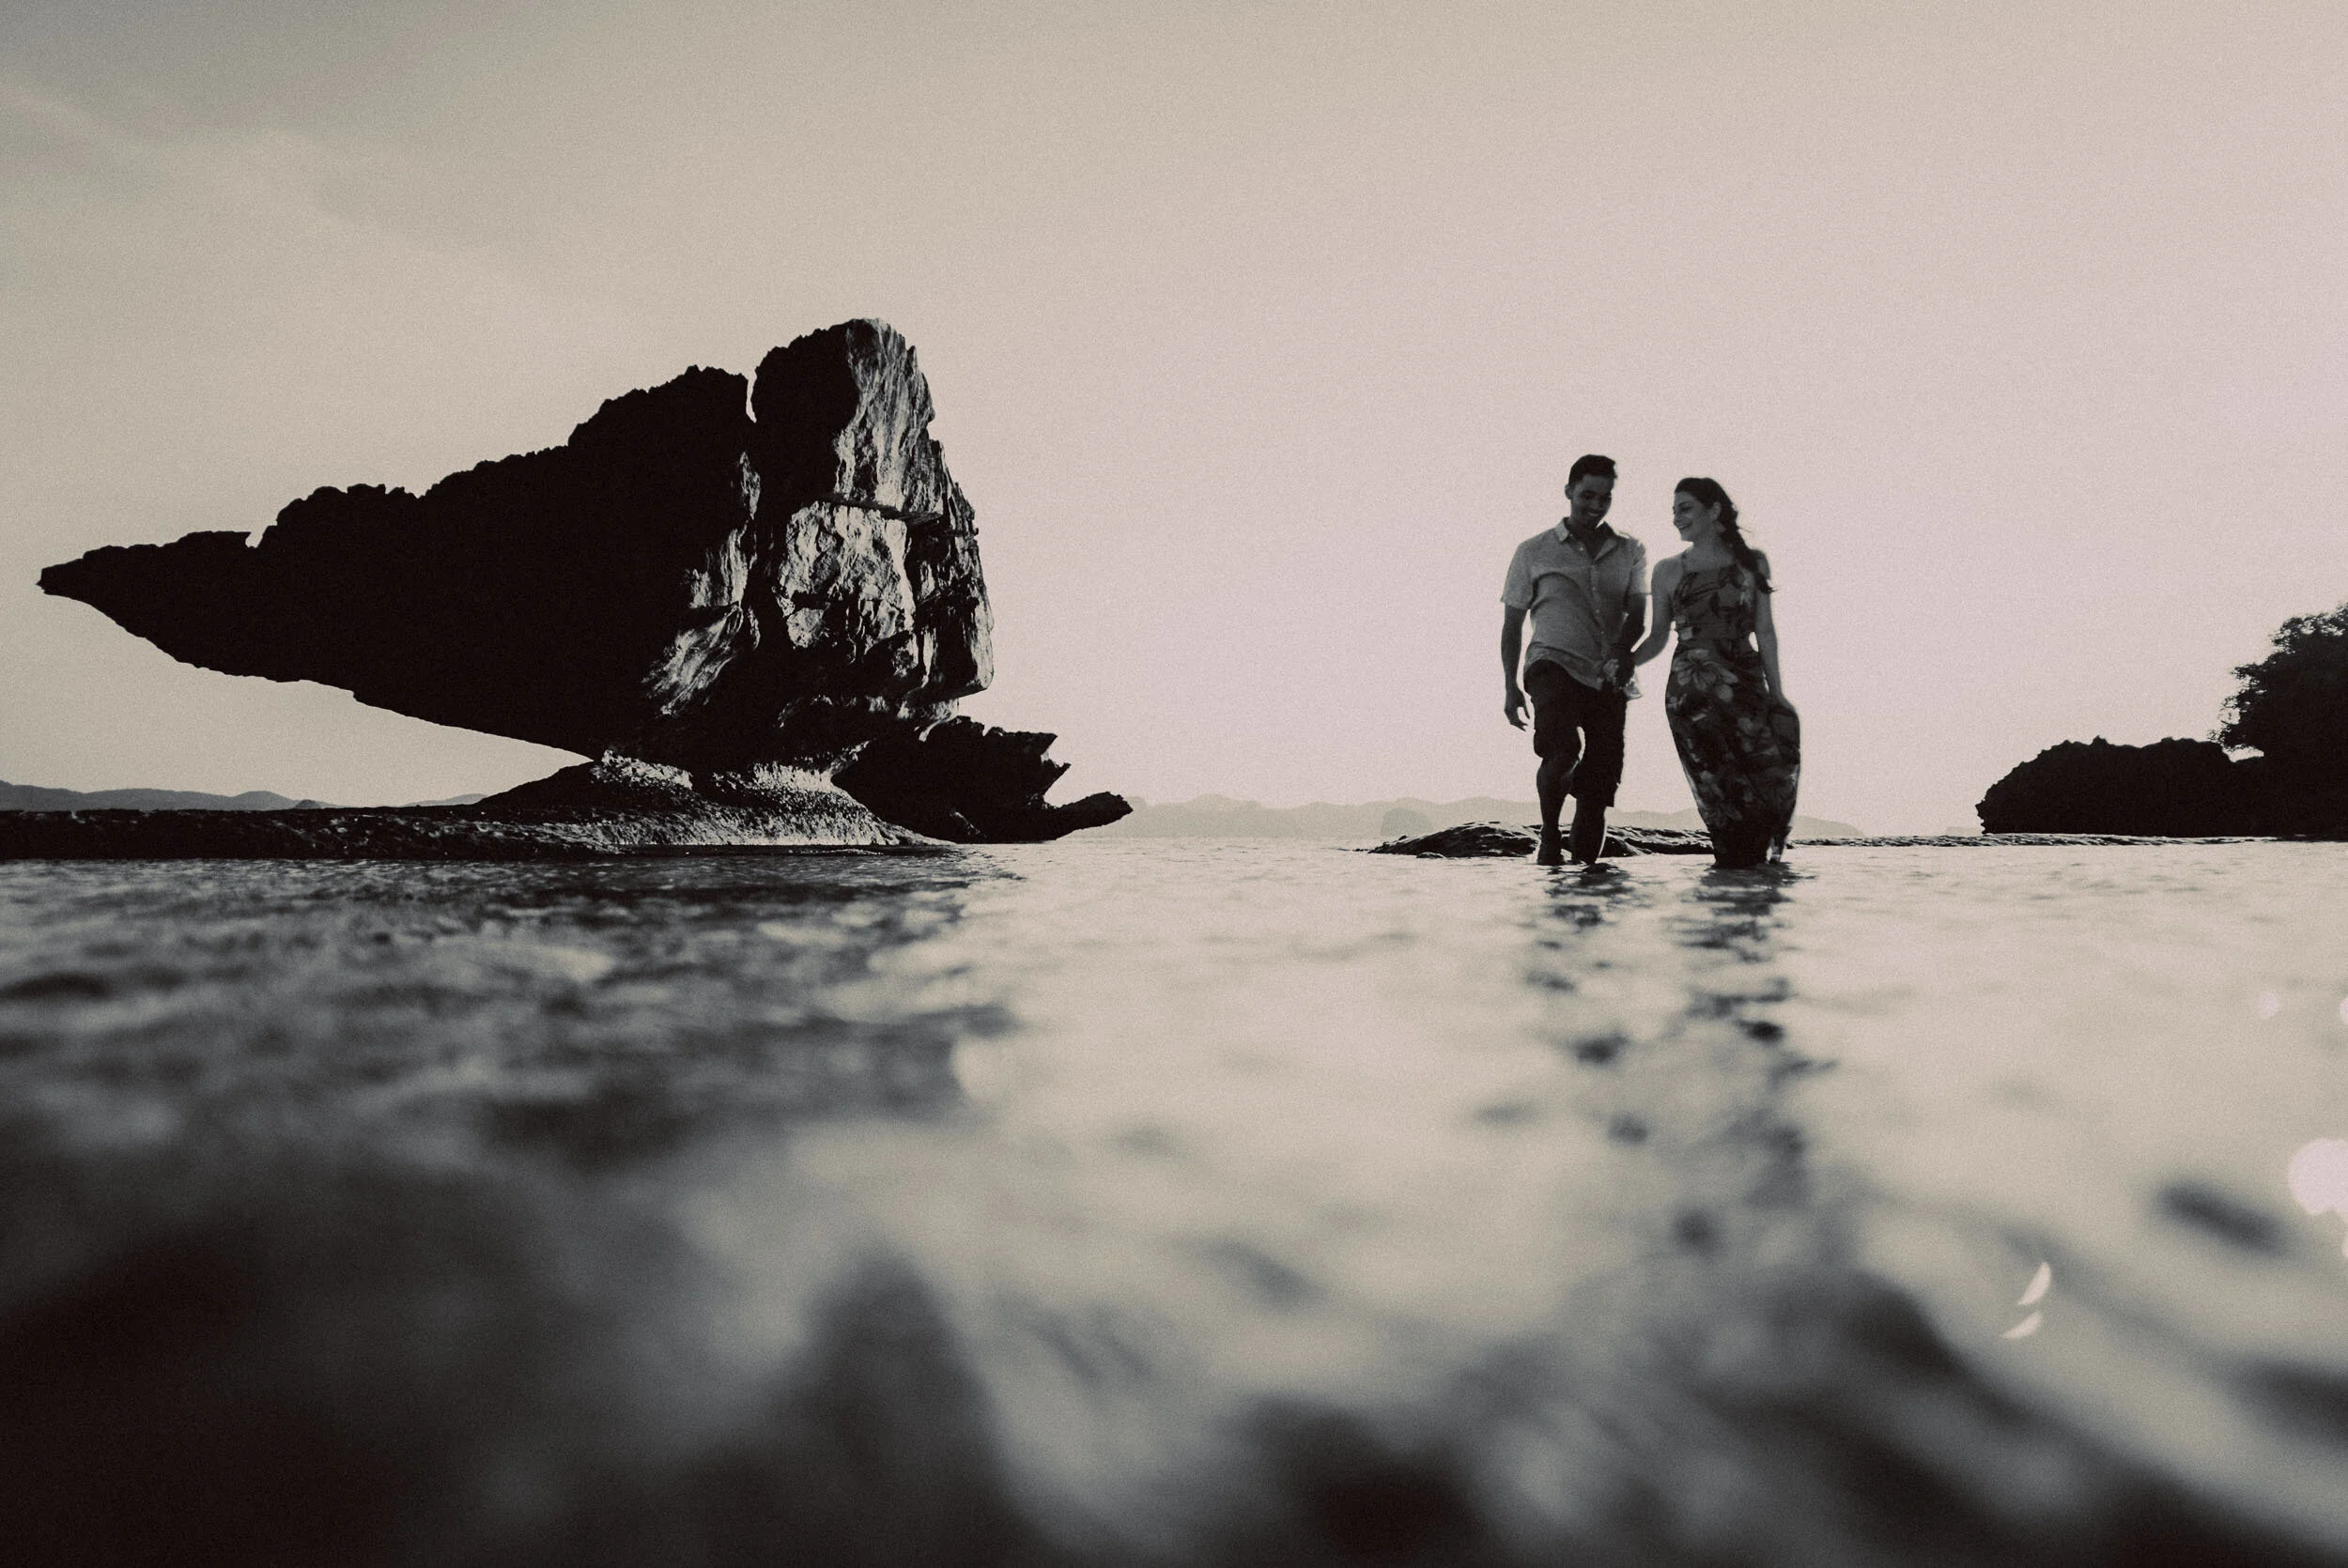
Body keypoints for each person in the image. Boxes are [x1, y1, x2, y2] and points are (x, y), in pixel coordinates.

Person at [1627, 477, 1800, 868]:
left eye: (1685, 508)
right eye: (1673, 510)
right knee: (1717, 788)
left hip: (1746, 685)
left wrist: (1778, 693)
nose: (1676, 518)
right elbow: (1657, 638)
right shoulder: (1668, 570)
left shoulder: (1752, 562)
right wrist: (1625, 662)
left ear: (1714, 510)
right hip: (1691, 695)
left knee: (1770, 772)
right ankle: (1730, 891)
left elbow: (1765, 631)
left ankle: (1757, 890)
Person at [1502, 454, 1648, 866]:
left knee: (1597, 790)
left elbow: (1637, 615)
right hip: (1552, 664)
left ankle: (1588, 886)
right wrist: (1510, 685)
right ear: (1569, 491)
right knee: (1565, 749)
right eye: (1587, 495)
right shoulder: (1533, 551)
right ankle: (1549, 835)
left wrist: (1621, 653)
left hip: (1609, 674)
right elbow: (1512, 624)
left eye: (1605, 497)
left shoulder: (1631, 550)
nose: (1596, 505)